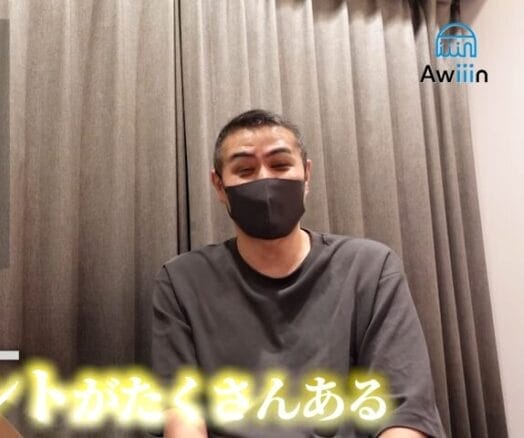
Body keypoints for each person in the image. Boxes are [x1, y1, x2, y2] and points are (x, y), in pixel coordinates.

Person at [150, 110, 444, 437]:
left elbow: (405, 411)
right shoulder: (182, 281)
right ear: (219, 186)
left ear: (306, 174)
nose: (265, 181)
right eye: (245, 170)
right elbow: (182, 415)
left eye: (280, 165)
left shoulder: (370, 268)